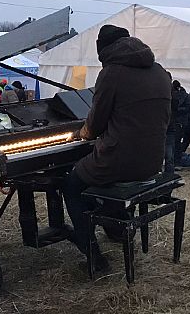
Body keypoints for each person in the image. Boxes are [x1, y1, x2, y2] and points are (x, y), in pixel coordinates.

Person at [62, 24, 171, 272]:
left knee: (71, 185)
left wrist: (79, 134)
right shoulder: (160, 72)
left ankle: (93, 256)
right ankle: (117, 227)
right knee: (99, 180)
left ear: (104, 50)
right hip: (152, 160)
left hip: (119, 160)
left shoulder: (112, 73)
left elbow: (95, 125)